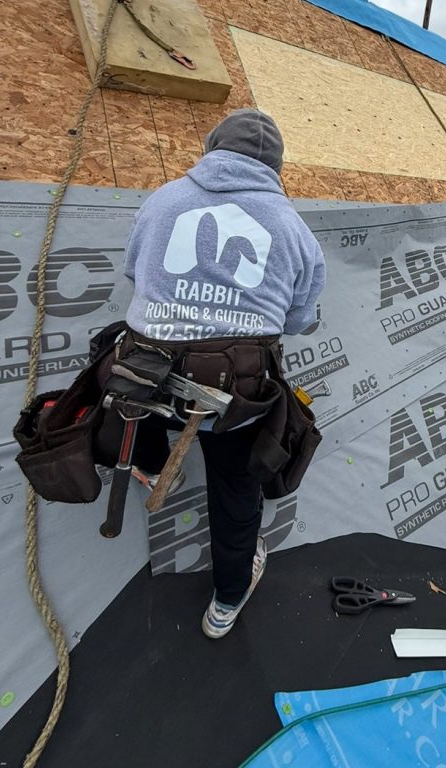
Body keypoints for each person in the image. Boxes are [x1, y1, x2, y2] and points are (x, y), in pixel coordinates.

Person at [122, 109, 326, 638]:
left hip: (147, 382)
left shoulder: (163, 200)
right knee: (236, 485)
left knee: (140, 368)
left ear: (212, 148)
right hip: (233, 396)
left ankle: (145, 462)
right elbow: (299, 319)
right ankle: (226, 602)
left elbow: (134, 272)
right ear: (275, 167)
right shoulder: (294, 230)